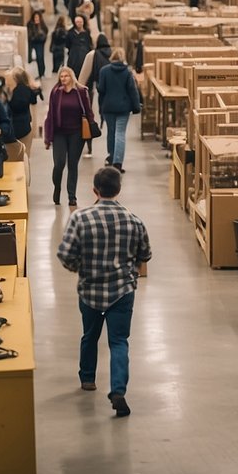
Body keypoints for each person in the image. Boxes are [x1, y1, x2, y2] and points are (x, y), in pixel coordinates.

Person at [57, 166, 152, 418]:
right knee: (119, 341)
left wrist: (81, 268)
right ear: (119, 189)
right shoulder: (134, 220)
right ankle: (118, 389)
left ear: (94, 190)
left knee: (90, 335)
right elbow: (146, 255)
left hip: (90, 290)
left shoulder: (80, 218)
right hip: (122, 291)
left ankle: (88, 378)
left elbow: (65, 255)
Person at [44, 66, 92, 208]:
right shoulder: (55, 92)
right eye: (61, 76)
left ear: (72, 77)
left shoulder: (81, 92)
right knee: (59, 163)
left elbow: (88, 112)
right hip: (60, 133)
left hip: (76, 133)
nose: (63, 79)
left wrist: (91, 127)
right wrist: (48, 137)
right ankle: (57, 187)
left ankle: (72, 196)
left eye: (66, 76)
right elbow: (50, 116)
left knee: (72, 164)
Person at [97, 48, 142, 172]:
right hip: (123, 108)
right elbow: (132, 90)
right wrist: (136, 107)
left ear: (112, 57)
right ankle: (118, 162)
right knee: (120, 134)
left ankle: (111, 158)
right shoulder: (127, 72)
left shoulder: (104, 71)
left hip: (108, 107)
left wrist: (100, 107)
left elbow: (101, 90)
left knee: (111, 133)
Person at [5, 66, 41, 156]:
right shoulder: (26, 89)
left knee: (17, 158)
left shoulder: (19, 91)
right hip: (25, 128)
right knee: (25, 156)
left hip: (17, 130)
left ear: (15, 79)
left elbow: (15, 107)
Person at [79, 33, 113, 116]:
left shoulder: (92, 55)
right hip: (111, 92)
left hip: (95, 88)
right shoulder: (113, 54)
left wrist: (79, 88)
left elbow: (83, 75)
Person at [26, 10, 48, 78]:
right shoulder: (30, 24)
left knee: (40, 57)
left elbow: (45, 32)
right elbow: (30, 35)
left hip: (40, 43)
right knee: (32, 58)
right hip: (33, 43)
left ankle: (42, 73)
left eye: (38, 17)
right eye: (35, 17)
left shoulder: (42, 25)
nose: (36, 19)